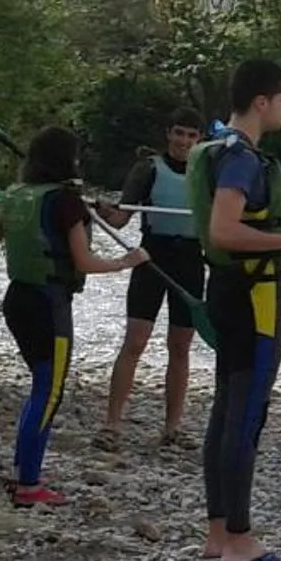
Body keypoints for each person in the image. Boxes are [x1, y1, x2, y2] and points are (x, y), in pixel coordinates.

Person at [190, 60, 281, 561]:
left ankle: (218, 533)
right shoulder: (241, 159)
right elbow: (225, 230)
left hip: (227, 292)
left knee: (227, 408)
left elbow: (233, 226)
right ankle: (240, 542)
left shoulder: (217, 149)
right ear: (262, 102)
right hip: (252, 301)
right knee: (244, 415)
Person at [0, 127, 147, 507]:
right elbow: (83, 261)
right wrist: (125, 262)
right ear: (68, 160)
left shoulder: (18, 195)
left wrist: (80, 206)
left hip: (18, 299)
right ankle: (29, 485)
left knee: (40, 388)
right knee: (49, 392)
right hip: (49, 305)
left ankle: (22, 472)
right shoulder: (65, 201)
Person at [102, 111, 207, 448]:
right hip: (151, 258)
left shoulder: (208, 173)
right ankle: (111, 425)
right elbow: (119, 219)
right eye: (179, 133)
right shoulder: (147, 169)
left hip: (190, 261)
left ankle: (172, 428)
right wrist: (99, 209)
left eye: (191, 135)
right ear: (168, 133)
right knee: (135, 341)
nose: (184, 141)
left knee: (180, 346)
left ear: (200, 140)